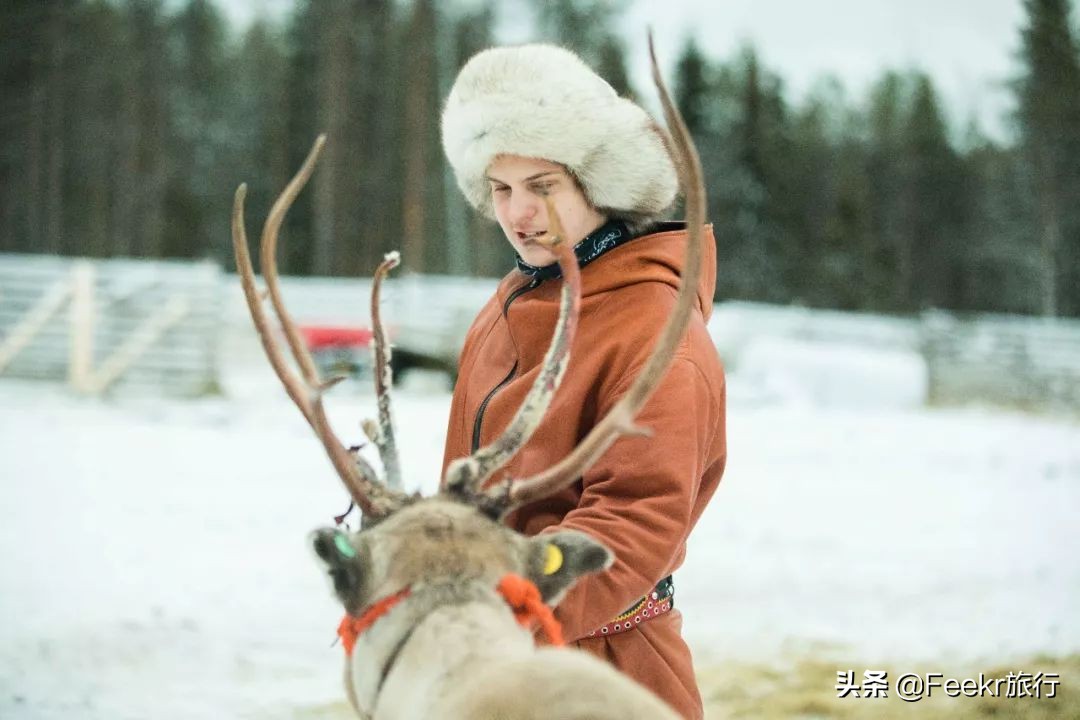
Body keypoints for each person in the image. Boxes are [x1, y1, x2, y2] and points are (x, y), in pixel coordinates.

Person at [439, 43, 727, 720]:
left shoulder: (655, 329)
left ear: (599, 182)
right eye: (502, 189)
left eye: (543, 187)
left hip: (603, 672)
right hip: (496, 662)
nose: (518, 214)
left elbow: (632, 520)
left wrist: (503, 617)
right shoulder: (515, 300)